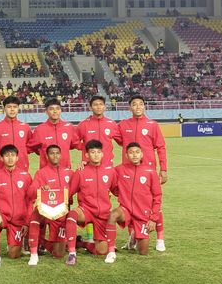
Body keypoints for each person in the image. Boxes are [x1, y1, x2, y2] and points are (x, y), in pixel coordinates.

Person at [117, 94, 168, 252]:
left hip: (148, 169)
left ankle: (160, 238)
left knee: (153, 201)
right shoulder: (123, 125)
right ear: (129, 107)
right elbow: (118, 141)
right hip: (128, 170)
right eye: (134, 104)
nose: (138, 107)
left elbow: (160, 147)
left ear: (144, 106)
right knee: (128, 202)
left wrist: (163, 169)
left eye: (140, 104)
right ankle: (132, 236)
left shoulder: (152, 125)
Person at [105, 143, 163, 263]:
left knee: (143, 251)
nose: (134, 155)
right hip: (125, 209)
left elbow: (157, 196)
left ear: (142, 154)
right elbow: (107, 178)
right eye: (131, 152)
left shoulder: (150, 172)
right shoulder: (119, 169)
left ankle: (134, 235)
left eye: (137, 152)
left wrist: (153, 219)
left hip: (142, 214)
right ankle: (111, 251)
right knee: (112, 215)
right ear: (126, 155)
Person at [64, 140, 118, 266]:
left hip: (103, 213)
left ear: (102, 154)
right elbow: (69, 192)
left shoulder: (110, 171)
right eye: (92, 152)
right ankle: (72, 253)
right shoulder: (80, 172)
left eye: (98, 152)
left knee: (101, 251)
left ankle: (81, 243)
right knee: (72, 215)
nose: (96, 155)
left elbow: (117, 190)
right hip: (86, 210)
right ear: (86, 155)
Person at [0, 144, 33, 267]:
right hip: (3, 215)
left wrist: (26, 222)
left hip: (19, 219)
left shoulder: (26, 176)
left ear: (17, 158)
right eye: (7, 155)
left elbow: (30, 200)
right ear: (1, 158)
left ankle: (15, 243)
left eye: (13, 155)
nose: (10, 158)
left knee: (14, 255)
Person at [28, 145, 74, 266]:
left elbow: (79, 188)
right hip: (46, 211)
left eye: (57, 153)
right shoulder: (41, 173)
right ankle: (33, 255)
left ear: (61, 155)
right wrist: (40, 188)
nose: (55, 156)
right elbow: (30, 192)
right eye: (52, 153)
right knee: (35, 216)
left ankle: (43, 241)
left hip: (61, 214)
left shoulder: (69, 172)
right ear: (47, 156)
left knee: (58, 254)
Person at [0, 96, 33, 171]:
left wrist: (22, 153)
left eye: (15, 107)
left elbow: (31, 146)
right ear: (4, 109)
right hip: (2, 168)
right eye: (9, 107)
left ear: (18, 109)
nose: (12, 109)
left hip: (22, 167)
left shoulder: (26, 127)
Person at [30, 98, 79, 169]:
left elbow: (74, 144)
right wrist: (42, 152)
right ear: (46, 112)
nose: (55, 111)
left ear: (60, 110)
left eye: (57, 108)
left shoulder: (69, 127)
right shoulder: (39, 129)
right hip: (46, 171)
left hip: (65, 171)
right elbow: (33, 147)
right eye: (51, 109)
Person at [75, 95, 120, 167]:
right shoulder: (83, 124)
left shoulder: (112, 124)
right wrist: (85, 148)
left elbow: (122, 141)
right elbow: (74, 142)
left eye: (101, 104)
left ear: (105, 107)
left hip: (107, 164)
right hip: (88, 164)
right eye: (95, 105)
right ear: (90, 107)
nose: (98, 107)